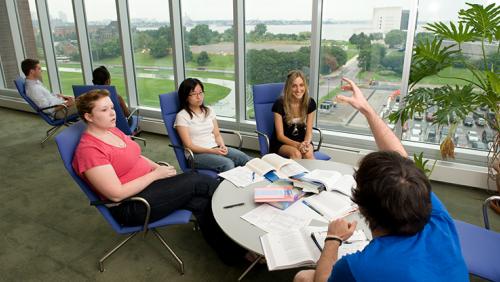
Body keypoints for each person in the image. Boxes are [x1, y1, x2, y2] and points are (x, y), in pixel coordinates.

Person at [294, 78, 468, 282]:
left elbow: (322, 280)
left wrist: (333, 239)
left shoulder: (359, 267)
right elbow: (401, 159)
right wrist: (367, 110)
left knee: (304, 277)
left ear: (363, 209)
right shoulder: (439, 221)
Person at [72, 89, 245, 264]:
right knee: (196, 181)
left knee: (202, 203)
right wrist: (155, 175)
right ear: (89, 116)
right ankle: (244, 204)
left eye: (112, 107)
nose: (112, 113)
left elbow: (136, 155)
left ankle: (235, 255)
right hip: (132, 206)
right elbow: (116, 194)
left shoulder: (112, 131)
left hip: (150, 189)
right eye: (104, 110)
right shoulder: (89, 151)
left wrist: (158, 168)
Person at [174, 78, 250, 172]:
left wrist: (222, 146)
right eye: (194, 94)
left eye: (201, 92)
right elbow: (189, 145)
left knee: (243, 158)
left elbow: (217, 134)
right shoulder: (182, 116)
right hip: (196, 155)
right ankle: (227, 186)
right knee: (227, 163)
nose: (199, 97)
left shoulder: (209, 110)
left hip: (215, 148)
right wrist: (213, 151)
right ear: (186, 96)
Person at [271, 70, 316, 159]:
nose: (299, 90)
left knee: (307, 153)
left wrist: (306, 143)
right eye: (294, 86)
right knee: (296, 154)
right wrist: (297, 145)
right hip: (282, 143)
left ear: (305, 86)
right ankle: (294, 173)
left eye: (301, 85)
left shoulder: (310, 103)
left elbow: (309, 132)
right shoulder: (279, 104)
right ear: (288, 87)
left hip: (302, 140)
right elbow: (280, 136)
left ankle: (315, 173)